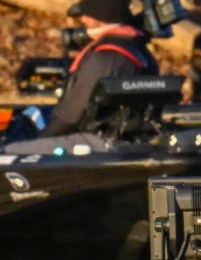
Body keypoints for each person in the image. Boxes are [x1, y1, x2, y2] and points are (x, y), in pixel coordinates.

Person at [4, 0, 158, 153]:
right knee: (32, 114)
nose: (83, 19)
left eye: (88, 15)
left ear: (102, 17)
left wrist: (41, 140)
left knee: (9, 151)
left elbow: (69, 116)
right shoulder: (137, 48)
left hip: (99, 142)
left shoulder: (104, 58)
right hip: (124, 138)